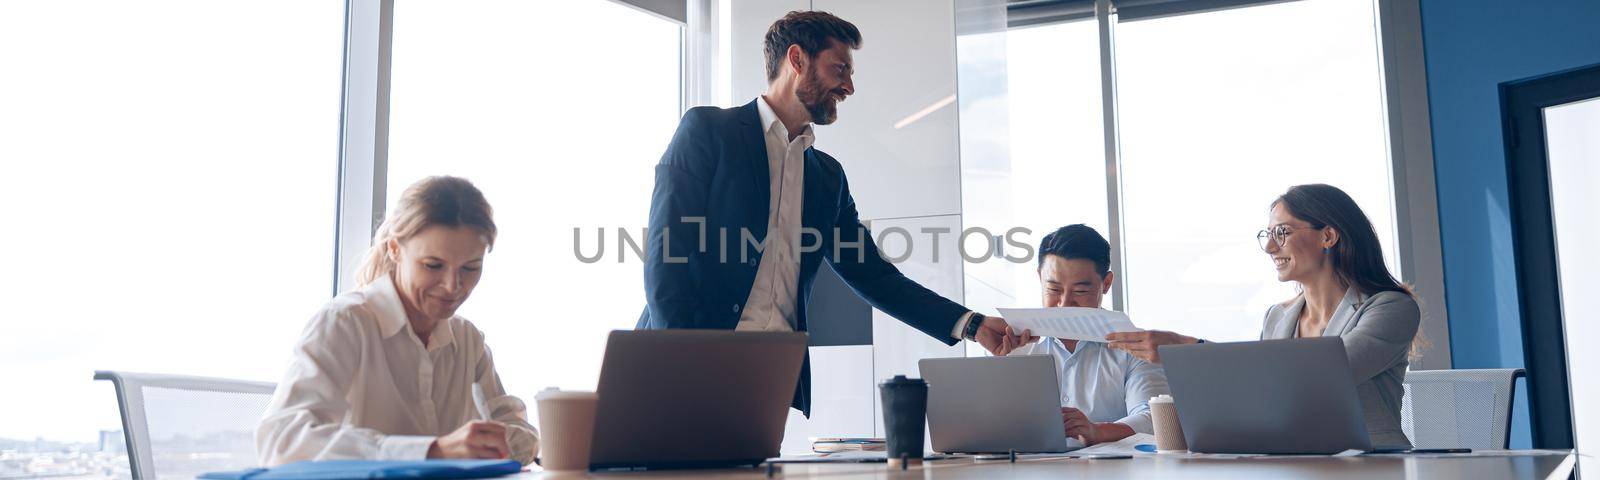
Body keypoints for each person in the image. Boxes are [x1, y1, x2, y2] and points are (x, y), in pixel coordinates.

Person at [637, 10, 1030, 416]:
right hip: (685, 371)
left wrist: (971, 324)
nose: (849, 86)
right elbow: (667, 257)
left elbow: (876, 278)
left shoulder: (827, 176)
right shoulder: (707, 131)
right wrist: (681, 366)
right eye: (839, 68)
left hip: (767, 379)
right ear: (797, 60)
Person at [1104, 183, 1421, 448]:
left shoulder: (1390, 308)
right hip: (1290, 461)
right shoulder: (1278, 317)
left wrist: (1188, 348)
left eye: (1282, 232)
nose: (1270, 247)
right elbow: (1262, 395)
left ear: (1328, 236)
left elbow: (1320, 376)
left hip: (1374, 464)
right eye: (1267, 234)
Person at [256, 176, 539, 465]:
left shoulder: (468, 340)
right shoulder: (345, 323)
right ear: (395, 249)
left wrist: (499, 442)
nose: (453, 286)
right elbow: (282, 440)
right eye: (433, 265)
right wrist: (432, 451)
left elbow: (522, 434)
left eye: (470, 267)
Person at [1006, 225, 1168, 445]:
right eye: (1053, 289)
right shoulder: (1014, 346)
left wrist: (1097, 431)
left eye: (1080, 291)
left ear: (1107, 283)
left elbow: (1153, 417)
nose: (1064, 303)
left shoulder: (1137, 345)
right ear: (1039, 278)